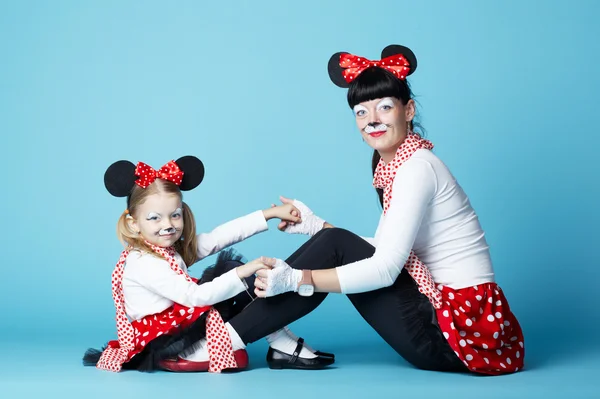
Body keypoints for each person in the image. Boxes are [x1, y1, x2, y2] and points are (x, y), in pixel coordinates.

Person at [248, 44, 525, 375]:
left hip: (457, 332)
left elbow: (383, 269)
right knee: (335, 240)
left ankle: (226, 333)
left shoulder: (417, 168)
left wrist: (298, 279)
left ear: (408, 111)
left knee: (336, 243)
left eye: (383, 107)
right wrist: (316, 225)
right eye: (361, 112)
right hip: (453, 321)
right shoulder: (397, 165)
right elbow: (386, 249)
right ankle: (239, 326)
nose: (371, 121)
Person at [82, 156, 334, 373]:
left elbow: (218, 238)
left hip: (181, 321)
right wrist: (243, 271)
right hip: (170, 341)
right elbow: (196, 296)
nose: (167, 224)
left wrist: (269, 214)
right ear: (134, 223)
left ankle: (279, 341)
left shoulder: (164, 249)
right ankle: (275, 342)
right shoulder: (144, 262)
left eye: (175, 215)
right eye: (154, 218)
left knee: (234, 271)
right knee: (238, 274)